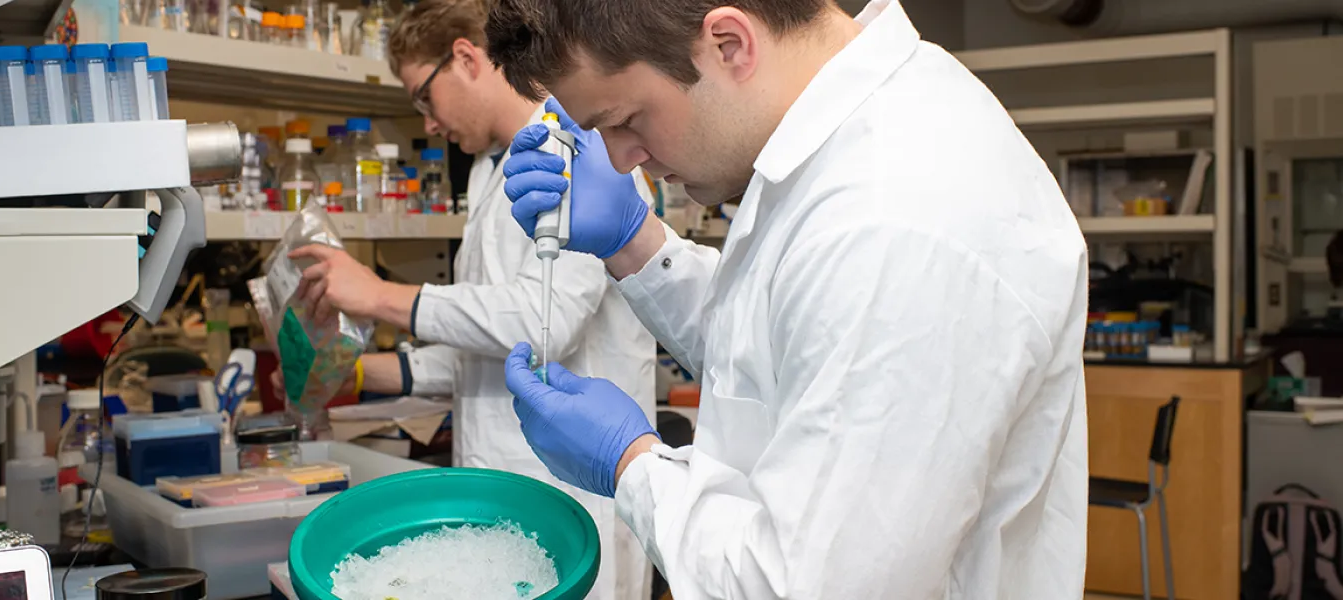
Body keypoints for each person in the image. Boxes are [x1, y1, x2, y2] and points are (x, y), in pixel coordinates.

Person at [486, 0, 1090, 597]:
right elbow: (785, 357)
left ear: (729, 44)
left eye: (624, 119)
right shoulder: (848, 138)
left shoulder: (897, 220)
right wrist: (634, 243)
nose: (620, 159)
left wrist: (632, 466)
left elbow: (804, 587)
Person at [284, 1, 657, 598]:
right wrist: (355, 372)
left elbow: (545, 325)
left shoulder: (583, 153)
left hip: (574, 500)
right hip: (501, 505)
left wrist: (381, 296)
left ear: (465, 57)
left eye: (424, 98)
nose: (428, 123)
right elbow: (489, 349)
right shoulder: (492, 171)